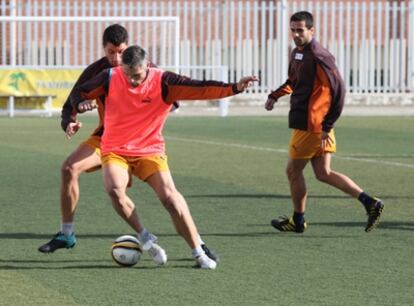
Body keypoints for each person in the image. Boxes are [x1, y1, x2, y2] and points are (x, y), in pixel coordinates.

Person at [72, 45, 258, 269]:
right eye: (127, 75)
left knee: (170, 198)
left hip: (150, 150)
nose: (131, 81)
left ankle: (198, 251)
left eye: (137, 75)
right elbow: (79, 93)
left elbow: (201, 88)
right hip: (115, 149)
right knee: (114, 189)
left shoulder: (164, 82)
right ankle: (146, 238)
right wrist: (80, 104)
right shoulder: (110, 77)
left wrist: (234, 87)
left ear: (147, 66)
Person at [37, 25, 199, 265]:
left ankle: (199, 246)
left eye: (121, 52)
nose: (116, 58)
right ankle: (67, 234)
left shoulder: (145, 69)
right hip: (107, 139)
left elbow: (172, 97)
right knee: (68, 168)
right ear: (104, 49)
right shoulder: (97, 72)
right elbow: (72, 102)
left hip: (142, 144)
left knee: (169, 196)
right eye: (111, 52)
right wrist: (70, 121)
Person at [264, 11, 384, 233]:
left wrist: (327, 126)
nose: (296, 34)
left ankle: (298, 221)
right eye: (293, 30)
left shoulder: (320, 56)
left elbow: (339, 90)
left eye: (300, 30)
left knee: (292, 171)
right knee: (323, 173)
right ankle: (370, 203)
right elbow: (293, 81)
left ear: (312, 30)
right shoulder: (296, 53)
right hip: (316, 125)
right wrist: (275, 95)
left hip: (312, 126)